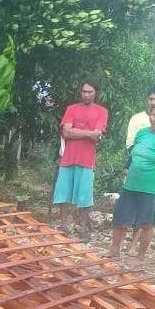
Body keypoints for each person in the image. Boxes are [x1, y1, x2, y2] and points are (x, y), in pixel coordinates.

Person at [107, 104, 155, 259]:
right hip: (131, 184)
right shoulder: (141, 133)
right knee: (120, 219)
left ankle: (140, 257)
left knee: (147, 223)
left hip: (152, 188)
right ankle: (114, 251)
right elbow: (134, 155)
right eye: (154, 115)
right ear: (149, 115)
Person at [50, 81, 108, 237]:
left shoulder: (102, 111)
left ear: (96, 92)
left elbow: (97, 135)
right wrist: (89, 133)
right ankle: (63, 225)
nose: (86, 94)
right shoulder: (71, 109)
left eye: (90, 91)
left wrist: (76, 131)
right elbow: (66, 133)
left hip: (87, 160)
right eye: (84, 91)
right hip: (68, 158)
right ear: (80, 92)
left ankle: (82, 227)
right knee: (63, 193)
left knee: (85, 195)